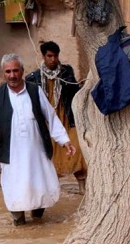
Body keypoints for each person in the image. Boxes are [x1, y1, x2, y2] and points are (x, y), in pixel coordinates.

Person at [0, 53, 75, 226]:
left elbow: (50, 117)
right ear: (3, 73)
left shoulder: (34, 90)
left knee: (39, 185)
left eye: (15, 71)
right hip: (12, 152)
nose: (12, 75)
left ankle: (38, 220)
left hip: (36, 150)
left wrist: (64, 140)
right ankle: (19, 221)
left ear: (22, 71)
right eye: (8, 72)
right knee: (15, 186)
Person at [25, 41, 88, 194]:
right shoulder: (33, 77)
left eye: (55, 56)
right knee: (49, 154)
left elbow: (75, 94)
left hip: (66, 117)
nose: (53, 59)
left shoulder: (66, 73)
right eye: (49, 56)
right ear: (43, 56)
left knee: (76, 149)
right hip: (46, 121)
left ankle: (82, 187)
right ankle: (52, 190)